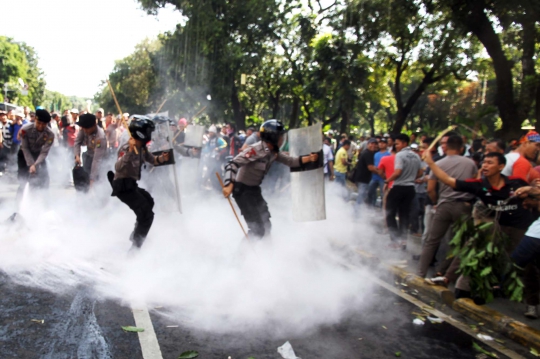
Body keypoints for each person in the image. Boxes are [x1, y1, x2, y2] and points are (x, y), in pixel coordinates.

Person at [423, 151, 536, 304]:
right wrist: (430, 163)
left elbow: (536, 190)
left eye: (490, 163)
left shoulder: (516, 182)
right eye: (484, 162)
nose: (485, 165)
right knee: (473, 247)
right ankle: (449, 279)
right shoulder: (479, 185)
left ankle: (527, 301)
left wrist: (529, 190)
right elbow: (449, 181)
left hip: (520, 227)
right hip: (496, 225)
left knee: (515, 261)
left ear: (501, 166)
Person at [222, 120, 319, 239]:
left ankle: (265, 252)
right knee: (257, 229)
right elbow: (233, 164)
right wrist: (229, 183)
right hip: (242, 191)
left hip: (254, 190)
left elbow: (291, 161)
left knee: (266, 224)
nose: (282, 139)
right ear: (272, 137)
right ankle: (242, 256)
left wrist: (309, 158)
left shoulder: (273, 152)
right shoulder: (255, 150)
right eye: (280, 136)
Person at [417, 135, 478, 278]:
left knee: (432, 241)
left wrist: (436, 202)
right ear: (462, 148)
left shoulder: (438, 163)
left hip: (444, 204)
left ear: (446, 147)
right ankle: (444, 272)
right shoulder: (470, 164)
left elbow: (430, 188)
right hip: (464, 206)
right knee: (459, 242)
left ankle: (421, 272)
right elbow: (475, 183)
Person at [108, 116, 170, 250]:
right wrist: (130, 152)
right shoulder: (126, 148)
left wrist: (163, 158)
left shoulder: (142, 148)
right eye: (148, 131)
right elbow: (118, 167)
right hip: (122, 187)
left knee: (149, 201)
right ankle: (136, 247)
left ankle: (136, 234)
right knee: (147, 215)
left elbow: (152, 160)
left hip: (131, 186)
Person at [384, 134, 422, 249]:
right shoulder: (416, 156)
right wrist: (411, 178)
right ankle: (403, 241)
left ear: (405, 143)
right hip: (410, 189)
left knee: (390, 213)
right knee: (404, 215)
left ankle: (395, 240)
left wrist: (387, 180)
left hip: (399, 187)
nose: (396, 146)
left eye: (397, 143)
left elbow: (398, 172)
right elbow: (420, 173)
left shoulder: (400, 155)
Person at [17, 109, 54, 193]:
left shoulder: (50, 134)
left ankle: (42, 201)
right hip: (24, 155)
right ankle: (19, 203)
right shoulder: (25, 129)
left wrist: (36, 164)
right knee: (23, 179)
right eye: (39, 123)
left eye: (44, 124)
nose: (40, 126)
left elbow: (44, 151)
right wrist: (31, 164)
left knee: (44, 179)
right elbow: (25, 148)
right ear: (35, 120)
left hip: (39, 155)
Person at [73, 113, 108, 190]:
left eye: (87, 128)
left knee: (97, 184)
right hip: (88, 157)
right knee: (84, 183)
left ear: (94, 125)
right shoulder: (84, 129)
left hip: (100, 161)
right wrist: (77, 155)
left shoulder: (100, 137)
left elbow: (97, 160)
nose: (85, 130)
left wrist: (92, 179)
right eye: (83, 128)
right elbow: (77, 142)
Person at [353, 138, 378, 211]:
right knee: (361, 197)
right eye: (371, 144)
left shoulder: (370, 153)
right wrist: (382, 173)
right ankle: (356, 214)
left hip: (365, 179)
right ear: (368, 145)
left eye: (375, 144)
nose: (373, 145)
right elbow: (371, 168)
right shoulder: (367, 154)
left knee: (366, 196)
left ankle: (362, 213)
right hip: (362, 179)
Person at [367, 137, 390, 206]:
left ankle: (382, 209)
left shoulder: (388, 154)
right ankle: (371, 206)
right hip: (374, 177)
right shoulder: (376, 154)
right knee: (370, 192)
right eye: (380, 143)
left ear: (386, 145)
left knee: (383, 194)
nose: (381, 144)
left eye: (383, 143)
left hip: (383, 178)